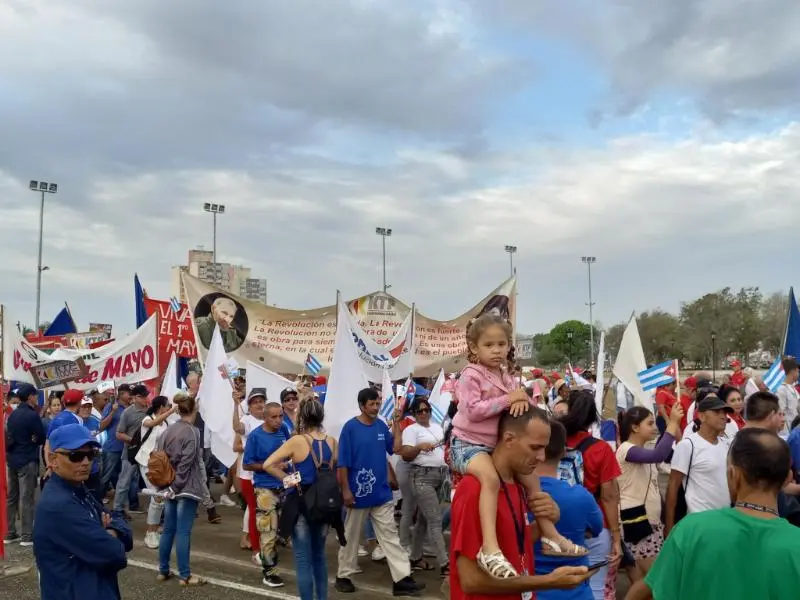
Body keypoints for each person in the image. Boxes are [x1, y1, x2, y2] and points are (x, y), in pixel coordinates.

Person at [450, 314, 583, 580]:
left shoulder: (507, 377)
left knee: (533, 482)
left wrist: (520, 400)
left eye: (502, 344)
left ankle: (550, 535)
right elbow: (472, 411)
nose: (497, 350)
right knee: (489, 480)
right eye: (489, 345)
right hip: (467, 445)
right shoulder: (470, 375)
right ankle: (489, 547)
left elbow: (517, 410)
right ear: (474, 348)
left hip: (492, 444)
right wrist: (509, 399)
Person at [625, 428, 800, 599]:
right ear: (787, 478)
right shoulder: (795, 543)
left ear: (733, 474)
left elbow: (647, 590)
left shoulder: (691, 530)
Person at [451, 407, 595, 600]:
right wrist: (549, 582)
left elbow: (514, 539)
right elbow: (470, 580)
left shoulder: (520, 484)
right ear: (509, 439)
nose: (542, 457)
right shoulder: (473, 489)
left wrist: (545, 524)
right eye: (535, 447)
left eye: (544, 448)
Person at [335, 387, 424, 596]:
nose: (375, 407)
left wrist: (396, 423)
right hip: (358, 494)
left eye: (377, 403)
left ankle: (402, 579)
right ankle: (343, 575)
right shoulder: (350, 428)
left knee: (390, 537)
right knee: (352, 536)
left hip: (381, 493)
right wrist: (346, 490)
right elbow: (342, 463)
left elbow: (395, 448)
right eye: (372, 404)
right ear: (362, 406)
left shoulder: (381, 426)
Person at [34, 424, 133, 600]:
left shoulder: (78, 489)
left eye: (91, 454)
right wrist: (109, 532)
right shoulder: (59, 505)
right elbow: (114, 554)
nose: (86, 462)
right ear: (53, 459)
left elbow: (122, 526)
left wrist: (109, 530)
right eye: (76, 456)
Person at [264, 399, 338, 600]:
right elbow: (331, 470)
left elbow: (268, 464)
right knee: (320, 557)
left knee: (303, 560)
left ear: (302, 417)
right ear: (321, 417)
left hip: (301, 504)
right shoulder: (331, 441)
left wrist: (289, 479)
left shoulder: (297, 441)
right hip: (324, 504)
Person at [533, 420, 603, 600]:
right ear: (564, 452)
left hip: (532, 591)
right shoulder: (581, 496)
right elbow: (596, 529)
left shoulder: (513, 496)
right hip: (577, 592)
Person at [616, 404, 682, 573]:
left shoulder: (640, 450)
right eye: (650, 423)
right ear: (635, 427)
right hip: (637, 519)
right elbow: (658, 455)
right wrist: (672, 423)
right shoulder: (626, 449)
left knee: (645, 581)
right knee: (654, 578)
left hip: (647, 520)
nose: (654, 428)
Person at [156, 392, 207, 586]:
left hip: (169, 485)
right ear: (195, 409)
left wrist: (168, 486)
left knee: (169, 529)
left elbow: (159, 457)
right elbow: (187, 463)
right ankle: (185, 575)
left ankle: (163, 569)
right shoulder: (193, 431)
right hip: (186, 487)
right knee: (183, 531)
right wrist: (176, 485)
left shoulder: (168, 430)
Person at [396, 398, 449, 577]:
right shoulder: (411, 430)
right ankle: (445, 563)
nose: (424, 413)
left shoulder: (437, 427)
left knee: (425, 521)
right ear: (414, 414)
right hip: (422, 477)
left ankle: (415, 556)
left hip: (440, 476)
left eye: (427, 410)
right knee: (434, 519)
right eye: (420, 411)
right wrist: (418, 447)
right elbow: (405, 456)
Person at [665, 392, 732, 534]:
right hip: (699, 523)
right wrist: (669, 526)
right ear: (701, 416)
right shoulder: (688, 445)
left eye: (724, 412)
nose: (723, 416)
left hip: (725, 520)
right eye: (717, 412)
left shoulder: (727, 445)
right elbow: (672, 487)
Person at [243, 401, 290, 587]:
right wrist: (268, 466)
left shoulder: (284, 430)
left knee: (284, 529)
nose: (278, 420)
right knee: (267, 531)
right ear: (265, 417)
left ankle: (271, 555)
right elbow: (247, 464)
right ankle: (269, 572)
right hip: (264, 488)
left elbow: (289, 453)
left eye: (281, 416)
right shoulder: (255, 436)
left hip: (286, 485)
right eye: (274, 417)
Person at [5, 383, 46, 546]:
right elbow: (41, 437)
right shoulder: (32, 415)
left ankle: (9, 533)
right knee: (27, 497)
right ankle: (27, 535)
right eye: (35, 395)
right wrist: (33, 439)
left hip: (13, 459)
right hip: (27, 458)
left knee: (12, 497)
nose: (36, 398)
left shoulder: (12, 415)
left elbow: (9, 436)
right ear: (30, 396)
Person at [135, 395, 178, 549]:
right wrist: (170, 412)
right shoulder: (147, 419)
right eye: (168, 405)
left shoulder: (167, 422)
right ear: (161, 406)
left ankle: (155, 528)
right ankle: (150, 532)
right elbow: (153, 423)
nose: (170, 407)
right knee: (157, 496)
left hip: (161, 464)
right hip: (147, 462)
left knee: (161, 496)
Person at [112, 384, 150, 518]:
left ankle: (157, 511)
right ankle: (118, 510)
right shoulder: (127, 413)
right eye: (144, 396)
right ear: (136, 397)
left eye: (146, 395)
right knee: (124, 482)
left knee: (152, 481)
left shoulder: (150, 410)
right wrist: (133, 441)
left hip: (147, 453)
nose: (146, 398)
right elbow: (118, 433)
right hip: (131, 452)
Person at [778, 357, 800, 432]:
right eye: (798, 371)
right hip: (786, 430)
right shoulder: (781, 389)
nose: (798, 374)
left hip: (795, 427)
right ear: (792, 372)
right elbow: (781, 412)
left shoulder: (792, 388)